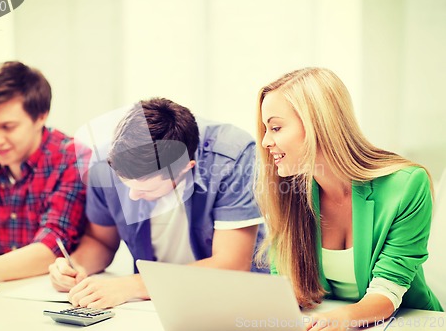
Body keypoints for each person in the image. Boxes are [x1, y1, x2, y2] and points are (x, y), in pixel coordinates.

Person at [255, 67, 443, 331]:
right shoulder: (289, 194)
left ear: (318, 123)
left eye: (275, 127)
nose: (265, 141)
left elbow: (387, 290)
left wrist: (343, 318)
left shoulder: (407, 185)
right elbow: (285, 289)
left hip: (407, 323)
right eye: (266, 129)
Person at [49, 98, 265, 308]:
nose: (132, 196)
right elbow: (100, 241)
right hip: (150, 307)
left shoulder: (232, 158)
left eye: (145, 188)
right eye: (126, 184)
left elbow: (232, 265)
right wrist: (75, 266)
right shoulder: (105, 162)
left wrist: (132, 286)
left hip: (223, 303)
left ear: (184, 169)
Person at [0, 61, 87, 282]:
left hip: (45, 286)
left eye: (7, 127)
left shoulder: (72, 158)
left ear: (41, 116)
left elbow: (52, 246)